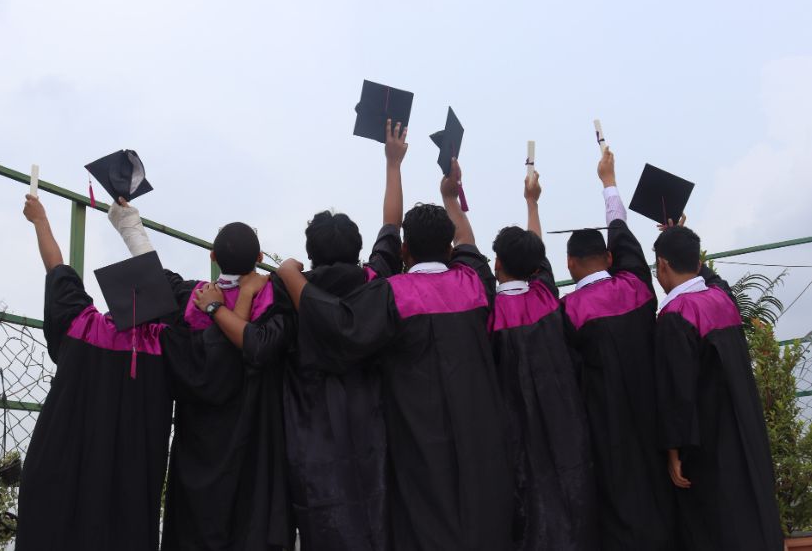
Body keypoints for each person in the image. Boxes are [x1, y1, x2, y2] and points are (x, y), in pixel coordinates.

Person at [277, 158, 512, 551]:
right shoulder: (475, 284)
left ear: (404, 250)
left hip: (417, 437)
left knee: (425, 523)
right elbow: (468, 243)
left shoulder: (391, 293)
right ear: (448, 249)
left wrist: (288, 275)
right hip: (481, 431)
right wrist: (450, 199)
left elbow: (338, 325)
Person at [199, 119, 404, 550]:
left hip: (311, 440)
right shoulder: (377, 281)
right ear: (357, 249)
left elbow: (256, 344)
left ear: (309, 253)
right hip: (372, 429)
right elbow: (391, 229)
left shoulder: (287, 293)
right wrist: (393, 163)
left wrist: (219, 305)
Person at [107, 200, 294, 551]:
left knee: (195, 523)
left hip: (198, 439)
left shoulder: (193, 299)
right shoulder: (274, 299)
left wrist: (129, 222)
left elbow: (155, 277)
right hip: (254, 437)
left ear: (213, 257)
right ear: (259, 258)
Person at [17, 194, 186, 551]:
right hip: (129, 489)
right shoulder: (165, 345)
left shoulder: (80, 325)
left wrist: (41, 220)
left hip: (59, 470)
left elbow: (57, 268)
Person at [560, 148, 674, 549]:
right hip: (655, 413)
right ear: (609, 258)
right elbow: (622, 233)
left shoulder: (567, 312)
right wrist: (608, 182)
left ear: (569, 264)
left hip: (605, 429)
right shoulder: (638, 287)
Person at [653, 223, 782, 550]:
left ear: (662, 265)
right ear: (697, 262)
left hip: (710, 444)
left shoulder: (676, 314)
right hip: (746, 433)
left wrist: (673, 452)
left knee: (717, 522)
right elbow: (712, 279)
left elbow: (676, 393)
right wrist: (680, 236)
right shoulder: (723, 299)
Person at [489, 171, 597, 550]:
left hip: (514, 434)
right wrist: (532, 202)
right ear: (536, 267)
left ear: (496, 263)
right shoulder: (547, 298)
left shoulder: (488, 314)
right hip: (563, 422)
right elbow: (538, 253)